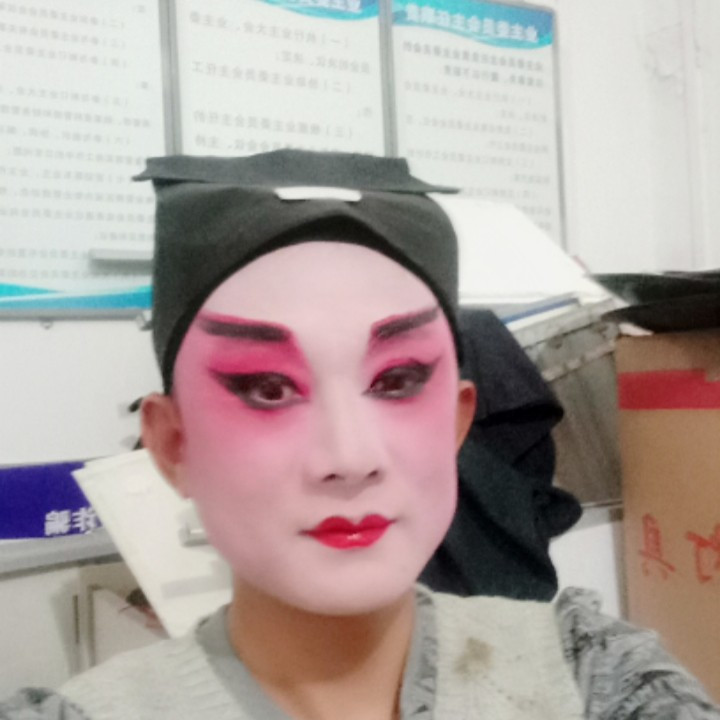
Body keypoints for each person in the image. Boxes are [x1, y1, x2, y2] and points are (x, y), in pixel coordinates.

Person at [2, 150, 718, 720]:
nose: (349, 459)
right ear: (172, 445)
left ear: (456, 421)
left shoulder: (588, 676)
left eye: (398, 379)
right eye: (268, 388)